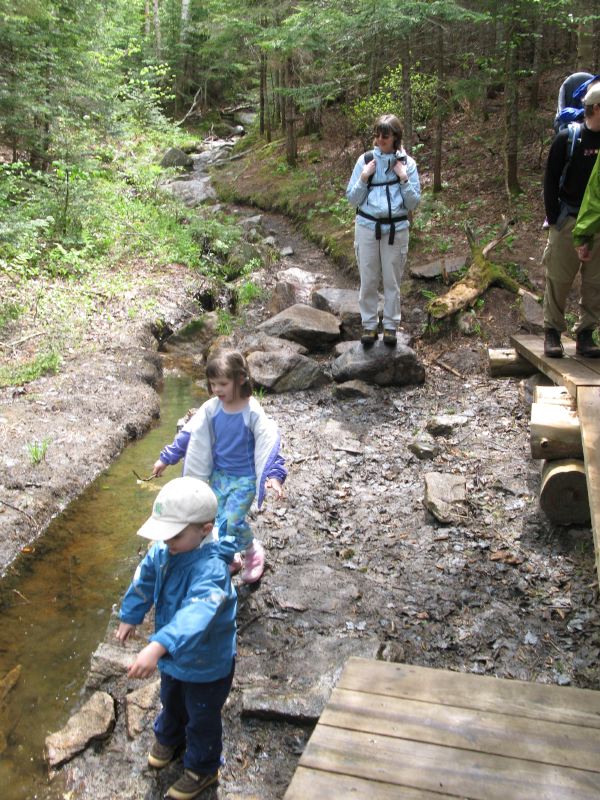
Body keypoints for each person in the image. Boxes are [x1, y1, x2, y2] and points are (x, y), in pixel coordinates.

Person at [116, 476, 236, 800]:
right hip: (174, 655)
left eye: (175, 535)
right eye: (164, 534)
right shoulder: (167, 549)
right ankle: (169, 736)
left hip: (206, 660)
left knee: (202, 714)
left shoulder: (211, 569)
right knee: (172, 698)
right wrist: (131, 614)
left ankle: (203, 767)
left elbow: (196, 613)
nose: (167, 541)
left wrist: (158, 645)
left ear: (205, 529)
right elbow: (145, 576)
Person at [152, 349, 286, 584]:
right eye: (213, 384)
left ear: (241, 378)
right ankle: (230, 556)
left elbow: (269, 445)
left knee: (233, 520)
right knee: (214, 520)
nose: (217, 389)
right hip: (218, 476)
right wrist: (167, 458)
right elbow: (188, 435)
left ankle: (253, 551)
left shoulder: (252, 412)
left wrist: (274, 476)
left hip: (244, 479)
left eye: (223, 383)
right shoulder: (211, 409)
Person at [346, 113, 420, 346]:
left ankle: (390, 326)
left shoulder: (408, 165)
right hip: (367, 227)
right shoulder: (365, 161)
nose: (379, 140)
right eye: (377, 135)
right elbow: (352, 198)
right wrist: (365, 177)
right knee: (368, 279)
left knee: (392, 281)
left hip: (396, 230)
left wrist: (404, 179)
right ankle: (368, 326)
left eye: (384, 136)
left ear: (395, 137)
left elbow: (413, 203)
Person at [542, 81, 600, 358]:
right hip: (569, 218)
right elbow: (550, 181)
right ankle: (552, 332)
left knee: (595, 282)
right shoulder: (568, 138)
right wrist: (555, 219)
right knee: (559, 278)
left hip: (598, 223)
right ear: (596, 108)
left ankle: (586, 333)